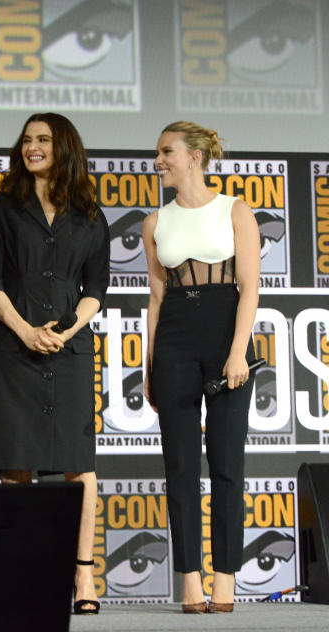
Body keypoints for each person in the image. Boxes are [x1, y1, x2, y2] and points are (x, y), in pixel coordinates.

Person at [0, 112, 110, 615]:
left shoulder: (88, 213)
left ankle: (83, 578)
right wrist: (27, 331)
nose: (32, 147)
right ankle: (22, 572)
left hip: (71, 351)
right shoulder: (4, 209)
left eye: (43, 140)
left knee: (80, 467)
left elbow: (97, 288)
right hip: (15, 347)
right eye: (27, 140)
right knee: (17, 464)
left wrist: (66, 330)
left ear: (64, 148)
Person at [143, 122, 260, 614]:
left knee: (227, 465)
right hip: (173, 339)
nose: (159, 161)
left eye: (166, 152)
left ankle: (226, 579)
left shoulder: (234, 209)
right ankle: (190, 581)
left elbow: (250, 288)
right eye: (157, 153)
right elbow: (155, 296)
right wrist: (150, 365)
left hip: (224, 332)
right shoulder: (155, 222)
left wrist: (238, 352)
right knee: (181, 467)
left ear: (194, 156)